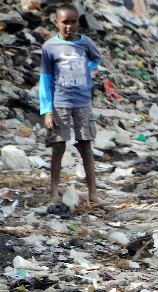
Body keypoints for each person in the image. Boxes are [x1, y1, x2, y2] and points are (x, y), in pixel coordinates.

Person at [39, 4, 102, 205]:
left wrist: (85, 70)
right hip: (60, 105)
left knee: (86, 147)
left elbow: (96, 58)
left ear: (78, 22)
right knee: (58, 148)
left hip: (82, 103)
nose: (69, 26)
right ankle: (54, 193)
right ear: (56, 22)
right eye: (65, 22)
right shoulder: (50, 47)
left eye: (73, 22)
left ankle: (93, 194)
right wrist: (47, 111)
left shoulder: (86, 43)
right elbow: (45, 79)